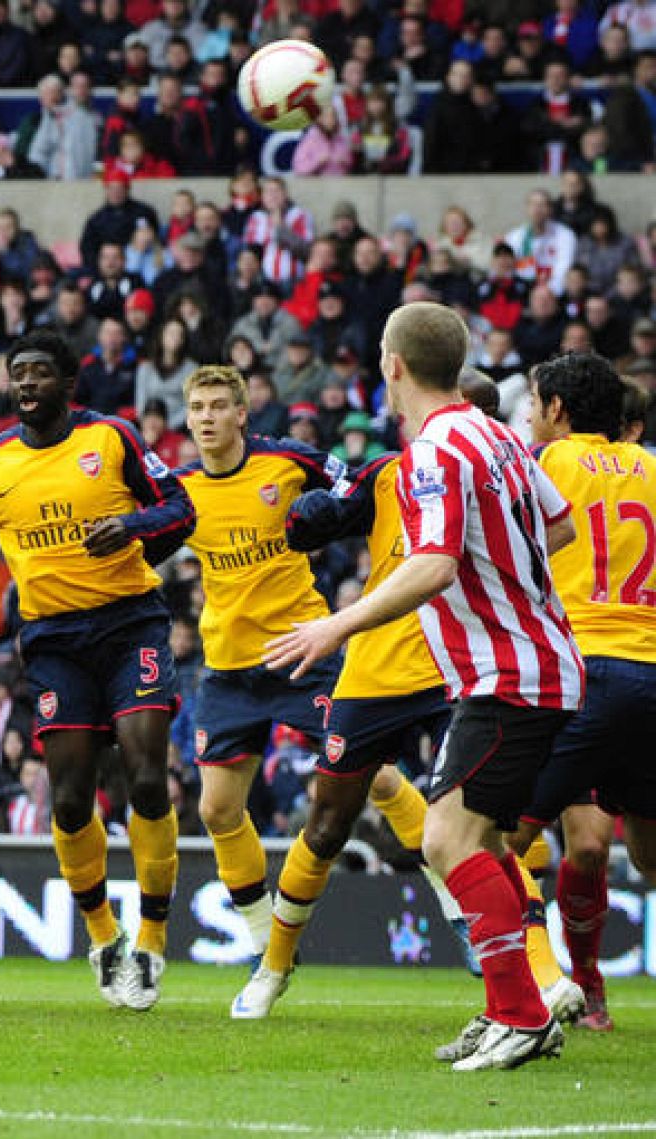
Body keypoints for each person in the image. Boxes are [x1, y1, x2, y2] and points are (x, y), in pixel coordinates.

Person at [266, 302, 582, 1072]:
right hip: (519, 662)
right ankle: (519, 1005)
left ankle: (521, 1012)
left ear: (392, 365)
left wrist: (335, 626)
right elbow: (561, 526)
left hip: (508, 671)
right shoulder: (499, 435)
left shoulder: (436, 450)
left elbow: (435, 564)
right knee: (473, 840)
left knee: (446, 839)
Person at [0, 330, 192, 1009]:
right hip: (54, 640)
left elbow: (180, 510)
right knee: (68, 797)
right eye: (18, 374)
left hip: (130, 623)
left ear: (69, 384)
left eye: (40, 373)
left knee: (147, 771)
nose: (27, 384)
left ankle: (151, 940)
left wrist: (133, 528)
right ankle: (103, 936)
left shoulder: (112, 438)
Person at [229, 443, 480, 1018]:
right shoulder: (386, 473)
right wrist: (308, 514)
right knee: (326, 825)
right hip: (377, 669)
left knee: (486, 822)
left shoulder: (493, 470)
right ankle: (273, 965)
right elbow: (310, 527)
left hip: (460, 666)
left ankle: (532, 971)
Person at [503, 352, 656, 1032]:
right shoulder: (652, 467)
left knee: (485, 840)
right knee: (604, 850)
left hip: (584, 673)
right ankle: (587, 986)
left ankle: (517, 998)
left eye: (535, 402)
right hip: (646, 676)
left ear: (557, 409)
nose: (530, 415)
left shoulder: (544, 464)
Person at [174, 366, 347, 957]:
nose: (206, 417)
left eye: (219, 406)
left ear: (242, 414)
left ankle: (456, 903)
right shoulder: (182, 488)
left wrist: (334, 514)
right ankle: (260, 936)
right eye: (197, 407)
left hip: (303, 650)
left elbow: (359, 485)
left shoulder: (287, 463)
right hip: (227, 666)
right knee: (217, 808)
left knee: (372, 777)